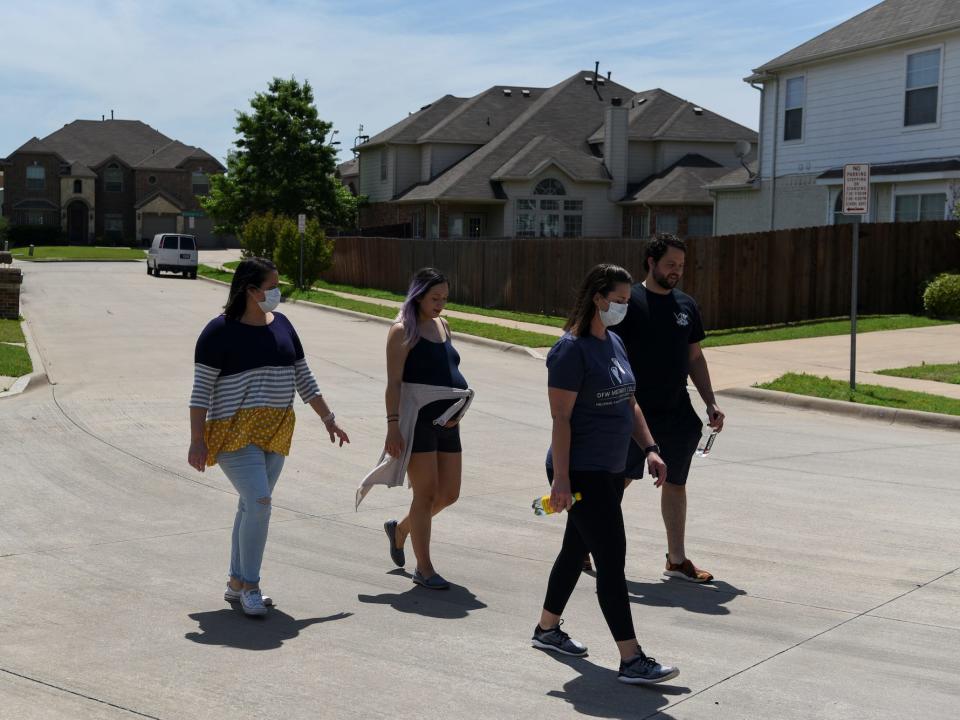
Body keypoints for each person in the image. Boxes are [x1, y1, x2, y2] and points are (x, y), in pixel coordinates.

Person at [532, 263, 680, 685]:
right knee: (611, 561)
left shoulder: (613, 342)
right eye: (618, 300)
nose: (623, 308)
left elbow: (629, 402)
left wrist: (650, 448)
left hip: (609, 469)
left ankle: (546, 629)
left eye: (627, 302)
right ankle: (631, 659)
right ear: (597, 298)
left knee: (573, 550)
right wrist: (561, 481)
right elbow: (561, 419)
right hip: (580, 471)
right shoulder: (570, 351)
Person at [188, 257, 350, 616]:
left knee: (250, 506)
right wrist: (197, 439)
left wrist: (329, 418)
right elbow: (200, 392)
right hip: (233, 434)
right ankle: (251, 586)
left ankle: (235, 583)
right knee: (260, 503)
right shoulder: (219, 331)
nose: (277, 292)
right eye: (271, 286)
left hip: (276, 432)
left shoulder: (284, 326)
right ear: (250, 290)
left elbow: (304, 378)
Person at [614, 234, 724, 583]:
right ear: (651, 262)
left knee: (676, 482)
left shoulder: (686, 306)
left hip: (676, 412)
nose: (677, 271)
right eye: (670, 265)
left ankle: (676, 561)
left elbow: (695, 356)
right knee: (619, 481)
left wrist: (710, 401)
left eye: (681, 266)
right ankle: (584, 542)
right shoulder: (627, 302)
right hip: (633, 413)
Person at [378, 268, 471, 591]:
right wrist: (393, 427)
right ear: (418, 295)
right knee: (426, 493)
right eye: (435, 298)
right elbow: (393, 384)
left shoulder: (443, 325)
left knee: (449, 494)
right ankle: (424, 568)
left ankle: (401, 530)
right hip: (416, 423)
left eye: (445, 298)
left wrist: (458, 408)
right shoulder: (402, 330)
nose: (441, 304)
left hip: (448, 421)